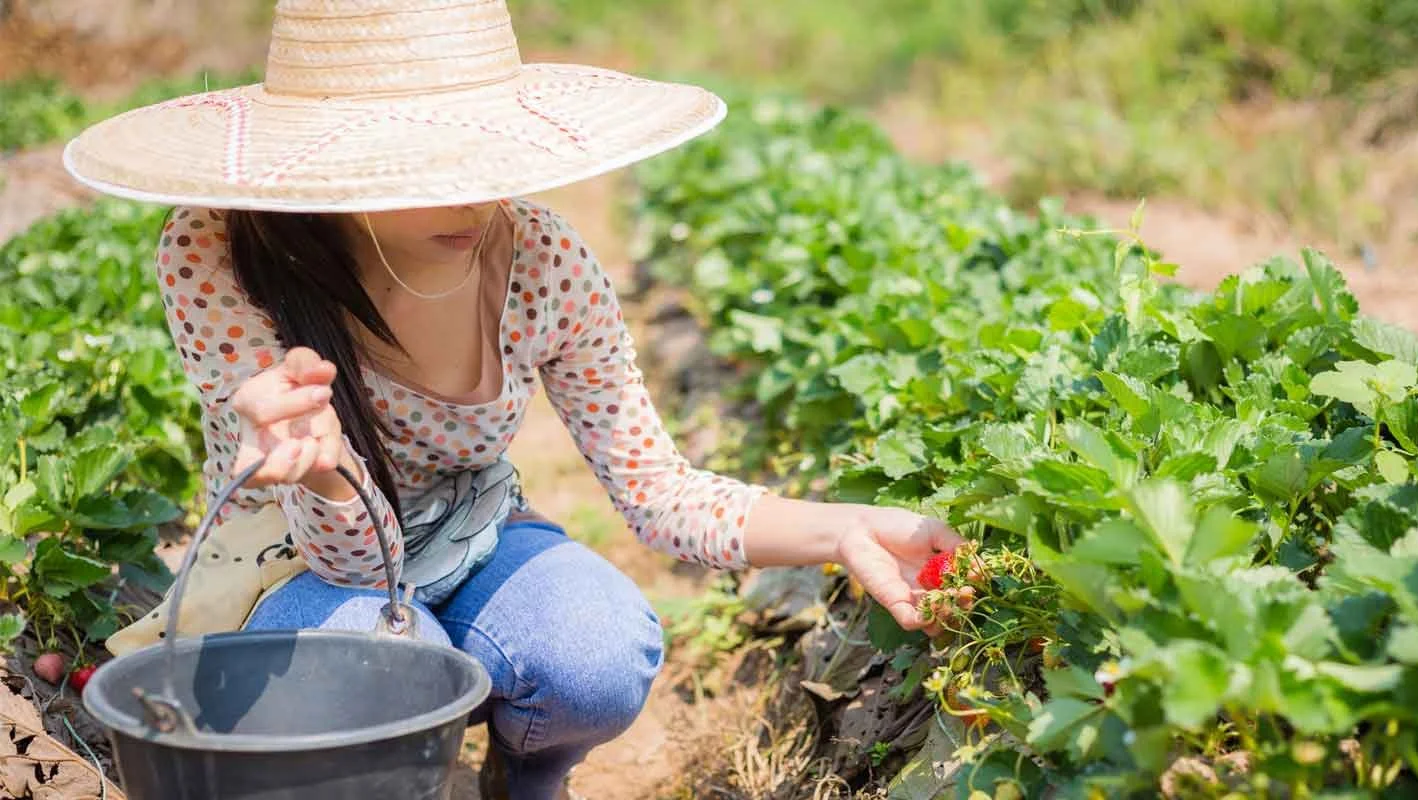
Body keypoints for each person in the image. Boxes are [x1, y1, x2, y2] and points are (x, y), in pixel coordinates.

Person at [63, 1, 964, 798]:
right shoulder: (221, 251)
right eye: (432, 162)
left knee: (595, 655)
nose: (479, 194)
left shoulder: (540, 261)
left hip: (470, 532)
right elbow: (353, 567)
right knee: (387, 674)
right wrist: (326, 474)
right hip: (298, 561)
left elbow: (658, 490)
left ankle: (528, 777)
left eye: (486, 151)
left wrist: (845, 529)